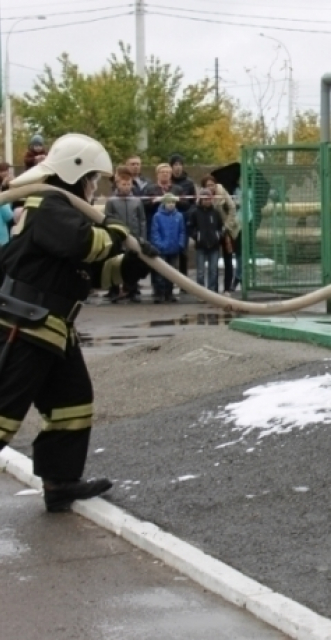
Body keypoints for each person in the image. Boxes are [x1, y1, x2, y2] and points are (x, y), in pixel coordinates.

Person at [0, 132, 157, 512]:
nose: (93, 187)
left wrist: (133, 263)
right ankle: (60, 481)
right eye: (91, 179)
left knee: (72, 404)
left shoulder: (63, 211)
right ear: (75, 174)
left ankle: (60, 483)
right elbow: (84, 245)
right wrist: (117, 233)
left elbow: (96, 274)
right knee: (3, 414)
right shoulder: (49, 203)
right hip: (25, 324)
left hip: (52, 329)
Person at [104, 165, 147, 303]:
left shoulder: (137, 201)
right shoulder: (111, 201)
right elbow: (107, 218)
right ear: (118, 184)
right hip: (117, 237)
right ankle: (114, 290)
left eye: (129, 184)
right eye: (124, 184)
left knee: (132, 264)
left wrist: (142, 236)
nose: (127, 186)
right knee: (116, 263)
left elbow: (142, 220)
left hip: (133, 236)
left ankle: (132, 290)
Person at [200, 174, 239, 293]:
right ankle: (214, 288)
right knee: (214, 261)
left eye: (212, 185)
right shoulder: (204, 196)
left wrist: (227, 226)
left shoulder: (222, 192)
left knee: (228, 259)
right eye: (208, 185)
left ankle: (227, 287)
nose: (211, 187)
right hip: (213, 231)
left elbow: (232, 208)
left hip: (227, 230)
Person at [149, 192, 185, 303]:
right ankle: (160, 294)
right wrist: (160, 245)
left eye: (173, 202)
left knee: (172, 272)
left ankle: (169, 293)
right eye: (169, 202)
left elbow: (182, 232)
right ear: (164, 203)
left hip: (174, 249)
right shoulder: (157, 216)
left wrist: (180, 243)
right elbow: (155, 232)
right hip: (162, 249)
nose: (171, 204)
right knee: (160, 273)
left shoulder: (179, 216)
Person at [186, 188, 223, 292]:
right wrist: (196, 236)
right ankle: (201, 291)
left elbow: (220, 226)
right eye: (205, 199)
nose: (207, 201)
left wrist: (218, 236)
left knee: (213, 270)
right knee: (200, 271)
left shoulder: (215, 213)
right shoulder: (195, 213)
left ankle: (211, 290)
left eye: (208, 199)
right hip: (200, 245)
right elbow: (190, 227)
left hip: (214, 245)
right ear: (201, 200)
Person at [141, 163, 178, 241]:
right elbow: (143, 205)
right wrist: (154, 201)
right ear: (157, 174)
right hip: (154, 224)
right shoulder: (149, 188)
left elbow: (186, 206)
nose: (165, 174)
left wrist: (178, 200)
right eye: (162, 172)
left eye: (167, 172)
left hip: (173, 224)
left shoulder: (177, 189)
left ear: (171, 175)